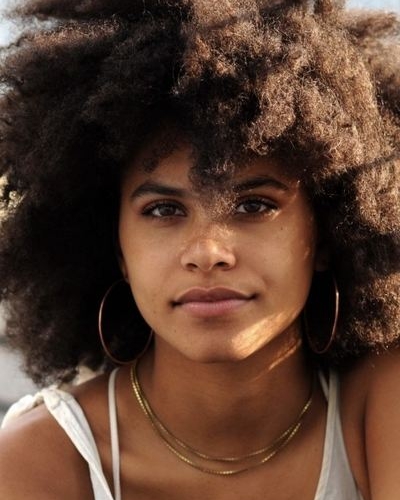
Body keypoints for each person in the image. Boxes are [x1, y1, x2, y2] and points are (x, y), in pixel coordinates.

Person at [0, 0, 399, 498]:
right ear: (115, 246)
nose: (208, 252)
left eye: (254, 205)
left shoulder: (379, 399)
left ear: (328, 231)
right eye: (164, 210)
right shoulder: (39, 460)